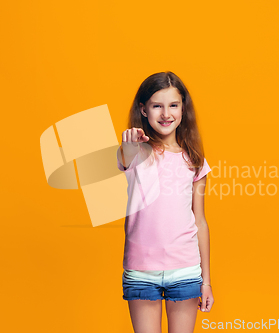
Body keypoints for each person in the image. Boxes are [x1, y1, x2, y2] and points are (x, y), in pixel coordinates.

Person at [116, 71, 214, 333]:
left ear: (183, 109)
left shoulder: (194, 161)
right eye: (157, 106)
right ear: (143, 110)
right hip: (141, 270)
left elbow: (200, 221)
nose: (166, 113)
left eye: (173, 105)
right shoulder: (137, 151)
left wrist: (206, 281)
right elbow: (125, 159)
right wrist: (129, 146)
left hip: (185, 269)